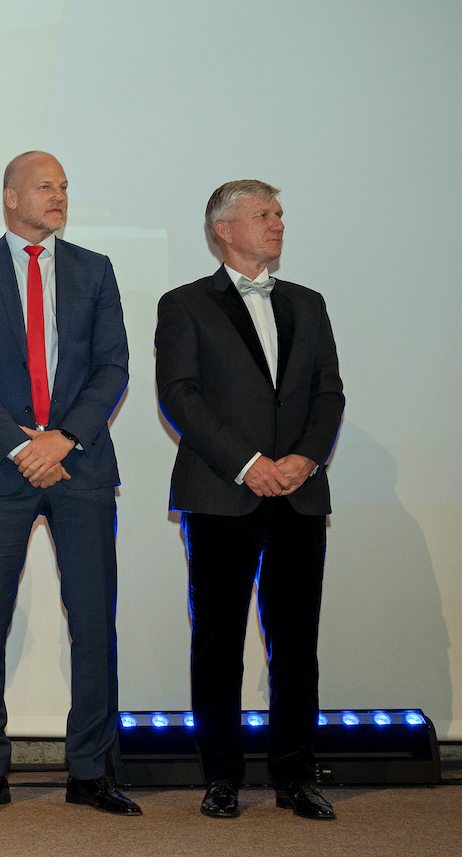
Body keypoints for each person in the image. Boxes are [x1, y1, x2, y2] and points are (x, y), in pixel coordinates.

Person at [0, 150, 138, 816]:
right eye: (45, 186)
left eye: (64, 187)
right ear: (10, 195)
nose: (58, 196)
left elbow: (113, 367)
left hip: (81, 466)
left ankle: (91, 772)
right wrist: (22, 446)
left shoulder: (94, 270)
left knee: (94, 623)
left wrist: (64, 438)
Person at [156, 180, 343, 821]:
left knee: (296, 643)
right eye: (264, 214)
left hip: (298, 493)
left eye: (280, 213)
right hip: (221, 494)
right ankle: (222, 777)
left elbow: (328, 393)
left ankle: (296, 775)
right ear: (224, 229)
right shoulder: (184, 304)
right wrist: (248, 464)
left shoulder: (308, 303)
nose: (278, 223)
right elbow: (180, 395)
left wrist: (305, 459)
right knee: (218, 643)